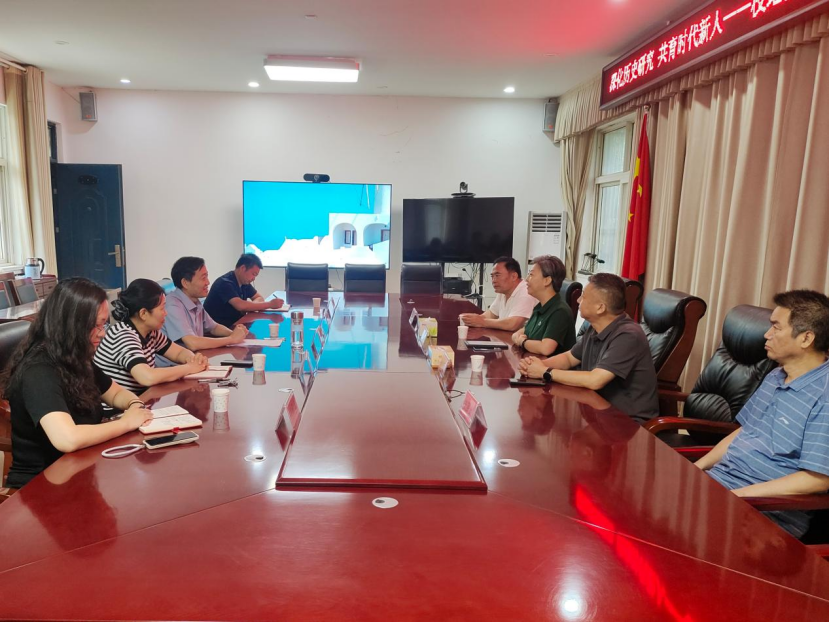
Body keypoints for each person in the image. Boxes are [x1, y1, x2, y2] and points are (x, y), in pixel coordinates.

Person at [696, 290, 829, 538]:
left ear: (806, 338)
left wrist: (737, 496)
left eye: (776, 327)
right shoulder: (776, 375)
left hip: (765, 512)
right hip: (722, 486)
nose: (767, 335)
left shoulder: (824, 394)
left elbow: (819, 478)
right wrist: (697, 468)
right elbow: (745, 432)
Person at [0, 278, 153, 488]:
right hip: (42, 484)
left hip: (82, 468)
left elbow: (116, 393)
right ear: (72, 325)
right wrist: (126, 423)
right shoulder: (38, 371)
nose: (103, 332)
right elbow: (67, 438)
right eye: (96, 325)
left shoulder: (74, 357)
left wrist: (134, 405)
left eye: (104, 324)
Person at [519, 272, 658, 423]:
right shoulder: (595, 328)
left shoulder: (628, 335)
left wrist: (545, 372)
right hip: (598, 411)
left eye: (583, 296)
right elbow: (569, 358)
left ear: (600, 308)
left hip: (628, 423)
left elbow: (595, 380)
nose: (578, 300)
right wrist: (534, 366)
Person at [93, 278, 208, 394]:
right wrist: (189, 368)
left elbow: (178, 352)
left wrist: (193, 359)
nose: (166, 313)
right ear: (143, 313)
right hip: (118, 404)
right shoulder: (123, 335)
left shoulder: (151, 332)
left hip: (139, 399)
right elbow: (147, 377)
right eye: (162, 308)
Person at [158, 256, 249, 364]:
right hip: (173, 368)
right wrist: (231, 339)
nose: (208, 282)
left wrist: (236, 334)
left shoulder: (194, 301)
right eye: (203, 278)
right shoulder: (172, 306)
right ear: (185, 283)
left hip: (194, 361)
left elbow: (214, 327)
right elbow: (192, 343)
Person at [510, 255, 576, 357]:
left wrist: (523, 342)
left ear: (547, 280)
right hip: (532, 361)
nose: (526, 279)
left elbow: (546, 348)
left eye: (531, 275)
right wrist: (517, 337)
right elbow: (521, 332)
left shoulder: (560, 311)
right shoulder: (540, 306)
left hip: (550, 365)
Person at [203, 253, 285, 328]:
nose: (253, 279)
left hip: (236, 325)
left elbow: (259, 297)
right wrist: (270, 304)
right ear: (243, 268)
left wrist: (251, 306)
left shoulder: (244, 282)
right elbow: (241, 306)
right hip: (217, 330)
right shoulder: (225, 283)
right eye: (253, 274)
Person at [459, 257, 536, 332]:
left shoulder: (526, 291)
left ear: (513, 276)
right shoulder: (504, 291)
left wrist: (482, 322)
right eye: (492, 276)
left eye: (497, 275)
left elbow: (513, 324)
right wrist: (471, 319)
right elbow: (491, 314)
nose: (493, 280)